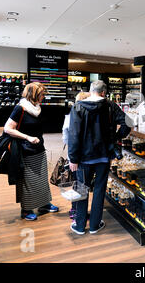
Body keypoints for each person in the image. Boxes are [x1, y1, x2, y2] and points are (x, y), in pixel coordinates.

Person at [68, 80, 131, 235]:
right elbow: (128, 123)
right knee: (99, 190)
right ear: (104, 92)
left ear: (90, 91)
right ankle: (95, 225)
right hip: (103, 157)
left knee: (81, 190)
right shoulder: (110, 106)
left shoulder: (78, 107)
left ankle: (80, 225)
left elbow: (74, 135)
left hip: (83, 158)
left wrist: (73, 158)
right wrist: (115, 138)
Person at [4, 82, 59, 221]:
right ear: (32, 95)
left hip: (39, 148)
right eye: (41, 94)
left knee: (41, 179)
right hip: (25, 150)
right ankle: (26, 210)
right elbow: (8, 128)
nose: (43, 97)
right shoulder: (20, 108)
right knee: (28, 181)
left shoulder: (37, 108)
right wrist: (28, 137)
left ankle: (44, 204)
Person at [61, 91, 90, 220]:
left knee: (78, 182)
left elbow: (65, 138)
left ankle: (75, 210)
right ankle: (76, 211)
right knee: (79, 184)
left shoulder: (71, 115)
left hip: (73, 154)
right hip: (78, 156)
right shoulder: (80, 116)